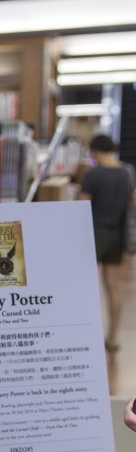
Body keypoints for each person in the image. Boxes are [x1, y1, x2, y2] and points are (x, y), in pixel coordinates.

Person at [79, 133, 135, 353]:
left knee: (84, 287)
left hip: (92, 236)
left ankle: (83, 336)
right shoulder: (127, 172)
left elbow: (81, 209)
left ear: (95, 151)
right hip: (117, 236)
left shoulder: (93, 174)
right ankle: (112, 338)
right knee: (112, 286)